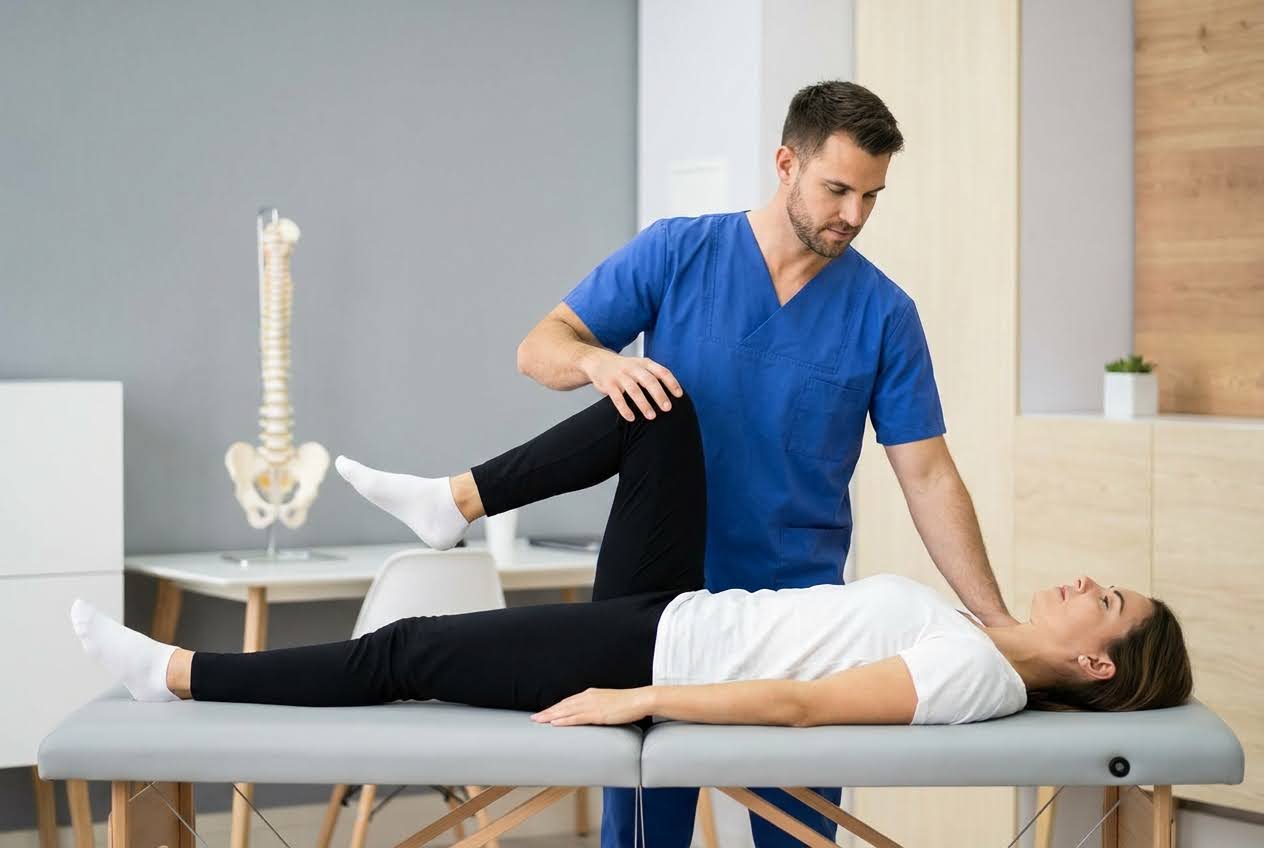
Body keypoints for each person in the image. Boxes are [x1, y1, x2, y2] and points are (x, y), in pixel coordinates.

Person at [71, 392, 1192, 738]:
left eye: (1106, 601)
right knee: (659, 409)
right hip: (675, 608)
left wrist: (642, 697)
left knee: (404, 651)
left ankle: (174, 674)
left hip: (653, 651)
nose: (1086, 580)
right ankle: (450, 502)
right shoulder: (980, 633)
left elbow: (804, 704)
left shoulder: (978, 678)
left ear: (1099, 665)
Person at [516, 79, 1017, 845]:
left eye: (872, 196)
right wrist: (597, 362)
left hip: (801, 625)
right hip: (665, 608)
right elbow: (540, 347)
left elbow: (928, 474)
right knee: (646, 833)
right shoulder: (678, 252)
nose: (854, 215)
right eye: (837, 190)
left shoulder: (885, 313)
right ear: (787, 164)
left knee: (799, 834)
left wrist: (995, 620)